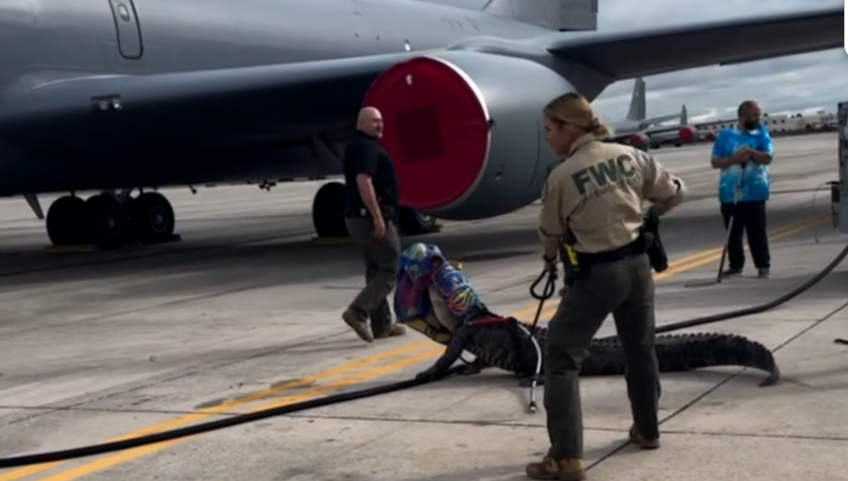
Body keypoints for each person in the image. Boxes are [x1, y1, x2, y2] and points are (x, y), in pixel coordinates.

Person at [525, 92, 687, 481]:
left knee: (562, 357)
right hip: (637, 267)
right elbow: (674, 192)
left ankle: (565, 457)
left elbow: (551, 232)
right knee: (640, 349)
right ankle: (647, 430)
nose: (546, 137)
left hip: (597, 274)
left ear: (569, 128)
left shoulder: (562, 175)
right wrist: (649, 216)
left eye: (549, 129)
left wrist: (551, 258)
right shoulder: (630, 155)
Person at [340, 106, 406, 342]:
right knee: (390, 268)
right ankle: (357, 312)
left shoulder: (358, 146)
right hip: (368, 217)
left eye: (381, 120)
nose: (380, 125)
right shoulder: (365, 148)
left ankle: (382, 324)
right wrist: (377, 217)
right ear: (362, 124)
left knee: (375, 269)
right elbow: (363, 181)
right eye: (374, 121)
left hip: (357, 217)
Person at [710, 100, 774, 279]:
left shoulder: (761, 134)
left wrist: (751, 152)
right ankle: (736, 264)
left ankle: (763, 264)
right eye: (755, 115)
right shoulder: (726, 136)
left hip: (754, 192)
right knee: (733, 232)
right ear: (744, 115)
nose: (758, 118)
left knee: (757, 230)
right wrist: (734, 159)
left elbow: (768, 157)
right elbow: (715, 161)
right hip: (730, 191)